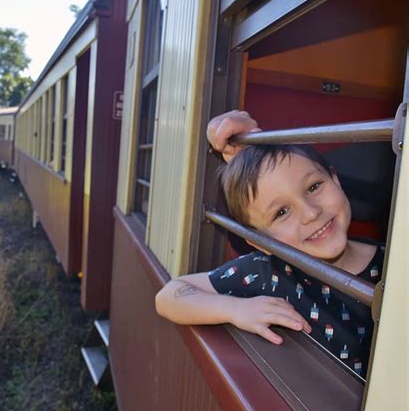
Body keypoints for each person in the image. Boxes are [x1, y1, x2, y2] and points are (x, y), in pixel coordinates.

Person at [155, 111, 384, 378]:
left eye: (313, 187)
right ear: (260, 243)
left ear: (335, 179)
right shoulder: (268, 273)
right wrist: (236, 309)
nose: (311, 213)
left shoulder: (394, 258)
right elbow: (169, 295)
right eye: (281, 213)